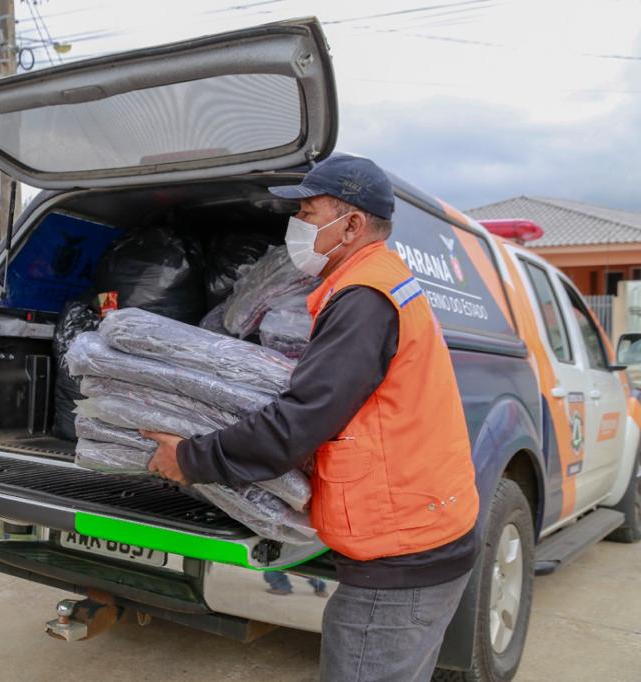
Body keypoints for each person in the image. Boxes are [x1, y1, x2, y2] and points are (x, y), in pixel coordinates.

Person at [142, 154, 480, 682]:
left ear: (351, 224)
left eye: (307, 210)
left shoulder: (365, 297)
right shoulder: (376, 281)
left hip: (401, 557)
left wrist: (189, 457)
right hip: (422, 533)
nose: (295, 225)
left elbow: (300, 422)